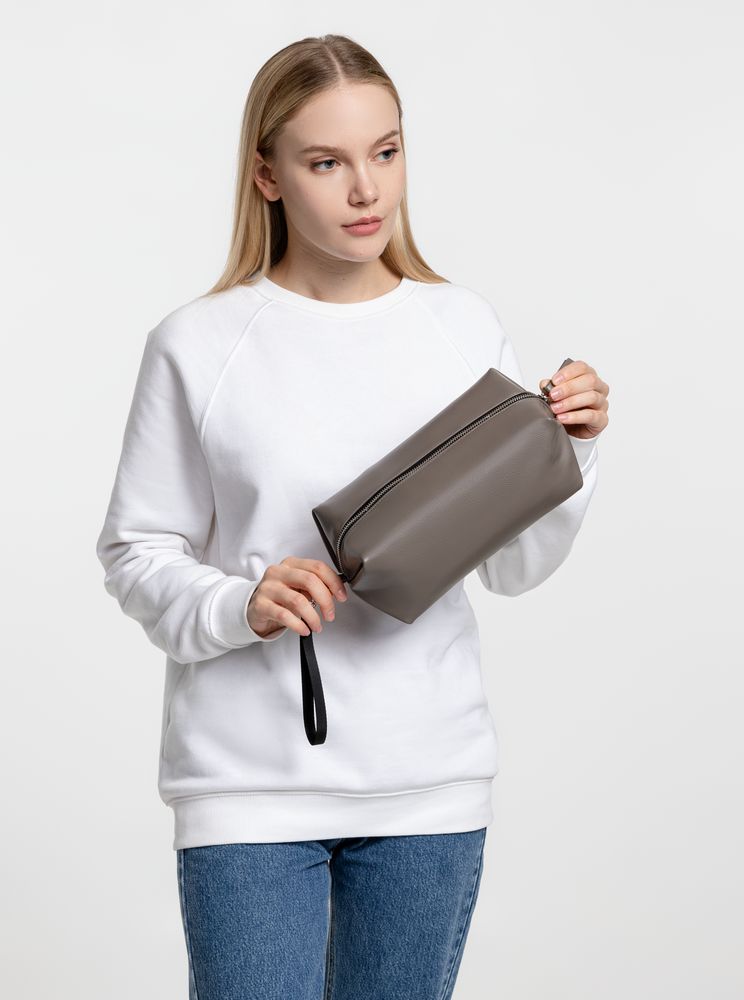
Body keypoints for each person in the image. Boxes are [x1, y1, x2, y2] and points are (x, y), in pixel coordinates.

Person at [95, 33, 610, 1000]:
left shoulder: (460, 326)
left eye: (386, 151)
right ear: (268, 176)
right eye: (326, 162)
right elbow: (136, 550)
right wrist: (241, 603)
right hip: (247, 792)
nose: (367, 189)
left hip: (428, 789)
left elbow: (513, 568)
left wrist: (571, 451)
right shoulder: (198, 344)